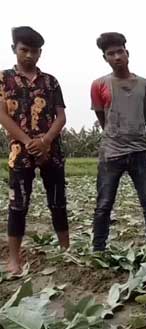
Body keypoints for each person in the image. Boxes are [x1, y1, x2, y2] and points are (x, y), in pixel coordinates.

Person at [0, 26, 69, 274]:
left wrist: (46, 140)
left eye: (35, 51)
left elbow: (61, 116)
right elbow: (3, 115)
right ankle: (14, 259)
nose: (29, 55)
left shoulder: (50, 81)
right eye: (24, 50)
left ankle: (65, 251)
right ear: (14, 50)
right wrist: (28, 141)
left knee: (58, 201)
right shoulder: (3, 79)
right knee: (18, 204)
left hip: (51, 150)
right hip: (20, 151)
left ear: (40, 53)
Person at [90, 32, 146, 252]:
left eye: (120, 51)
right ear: (105, 58)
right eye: (111, 54)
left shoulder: (145, 85)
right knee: (103, 204)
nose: (117, 57)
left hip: (140, 151)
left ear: (127, 53)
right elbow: (102, 117)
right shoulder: (98, 85)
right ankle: (98, 248)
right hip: (110, 153)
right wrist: (116, 134)